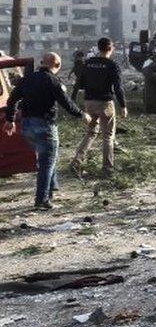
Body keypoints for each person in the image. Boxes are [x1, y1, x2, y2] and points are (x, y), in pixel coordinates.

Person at [3, 53, 90, 210]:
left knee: (48, 157)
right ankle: (42, 200)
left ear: (42, 63)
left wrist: (9, 120)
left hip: (27, 127)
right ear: (56, 65)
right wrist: (82, 114)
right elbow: (66, 102)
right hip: (45, 126)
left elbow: (12, 99)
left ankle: (51, 188)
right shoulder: (53, 80)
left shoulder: (27, 78)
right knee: (46, 162)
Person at [70, 38, 128, 179]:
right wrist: (123, 105)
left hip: (89, 102)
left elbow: (79, 84)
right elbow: (118, 88)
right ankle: (107, 170)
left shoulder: (88, 63)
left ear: (98, 48)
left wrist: (72, 101)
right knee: (108, 136)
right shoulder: (112, 65)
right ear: (111, 49)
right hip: (105, 103)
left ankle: (76, 162)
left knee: (91, 132)